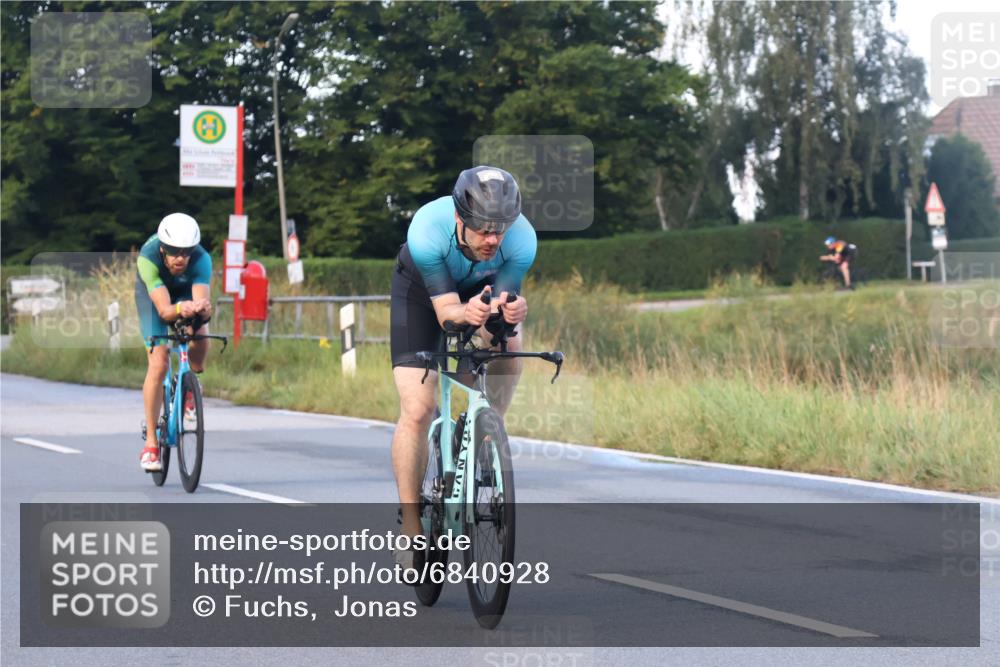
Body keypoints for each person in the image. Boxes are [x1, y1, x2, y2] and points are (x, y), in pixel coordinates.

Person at [390, 166, 536, 563]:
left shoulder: (522, 238)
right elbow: (446, 315)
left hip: (479, 291)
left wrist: (509, 312)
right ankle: (411, 526)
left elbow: (498, 313)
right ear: (459, 217)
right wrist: (464, 312)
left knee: (510, 340)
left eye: (500, 230)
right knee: (418, 409)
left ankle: (489, 426)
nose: (493, 240)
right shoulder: (427, 229)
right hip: (422, 297)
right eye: (483, 230)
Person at [134, 213, 213, 472]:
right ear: (162, 248)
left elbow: (201, 306)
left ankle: (190, 385)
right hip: (155, 299)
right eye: (174, 251)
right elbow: (164, 311)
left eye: (186, 251)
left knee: (200, 334)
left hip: (184, 293)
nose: (181, 257)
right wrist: (180, 308)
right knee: (159, 363)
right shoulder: (148, 258)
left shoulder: (201, 260)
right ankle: (151, 444)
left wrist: (201, 311)